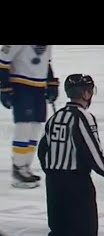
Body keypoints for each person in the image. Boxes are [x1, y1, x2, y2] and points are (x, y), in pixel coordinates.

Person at [37, 74, 104, 236]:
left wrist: (52, 171)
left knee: (58, 229)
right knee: (85, 229)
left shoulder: (55, 117)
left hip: (54, 181)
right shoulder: (84, 117)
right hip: (76, 182)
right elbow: (91, 149)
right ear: (86, 93)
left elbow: (43, 148)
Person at [0, 45, 59, 189]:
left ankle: (26, 166)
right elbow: (2, 61)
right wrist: (4, 87)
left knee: (35, 128)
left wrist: (51, 83)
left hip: (38, 88)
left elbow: (46, 62)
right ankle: (18, 167)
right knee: (24, 127)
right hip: (21, 87)